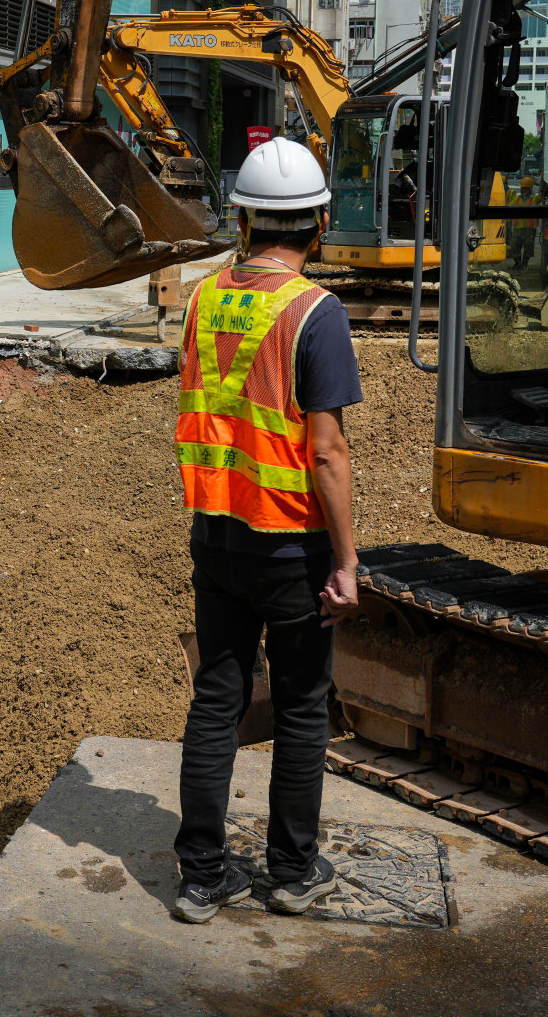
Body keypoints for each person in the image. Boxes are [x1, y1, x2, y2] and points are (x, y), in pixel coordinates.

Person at [171, 137, 362, 925]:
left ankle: (202, 876)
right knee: (299, 705)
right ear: (317, 221)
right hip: (291, 545)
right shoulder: (316, 312)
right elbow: (327, 450)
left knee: (217, 696)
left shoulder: (202, 299)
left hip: (215, 534)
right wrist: (347, 560)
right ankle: (290, 870)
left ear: (245, 219)